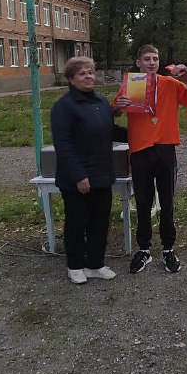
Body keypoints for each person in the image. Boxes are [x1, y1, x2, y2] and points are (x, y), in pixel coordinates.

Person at [114, 44, 187, 275]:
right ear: (138, 62)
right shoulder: (133, 84)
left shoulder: (170, 84)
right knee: (143, 201)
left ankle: (168, 248)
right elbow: (115, 111)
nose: (152, 62)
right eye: (147, 59)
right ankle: (144, 248)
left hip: (165, 147)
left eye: (155, 59)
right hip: (140, 149)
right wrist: (118, 108)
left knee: (167, 201)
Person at [51, 56, 128, 284]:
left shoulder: (101, 101)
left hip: (102, 174)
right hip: (78, 179)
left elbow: (110, 130)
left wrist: (141, 134)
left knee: (100, 221)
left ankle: (95, 264)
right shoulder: (64, 107)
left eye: (91, 72)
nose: (88, 76)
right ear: (71, 78)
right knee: (77, 222)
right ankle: (75, 265)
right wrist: (79, 175)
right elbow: (63, 144)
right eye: (82, 73)